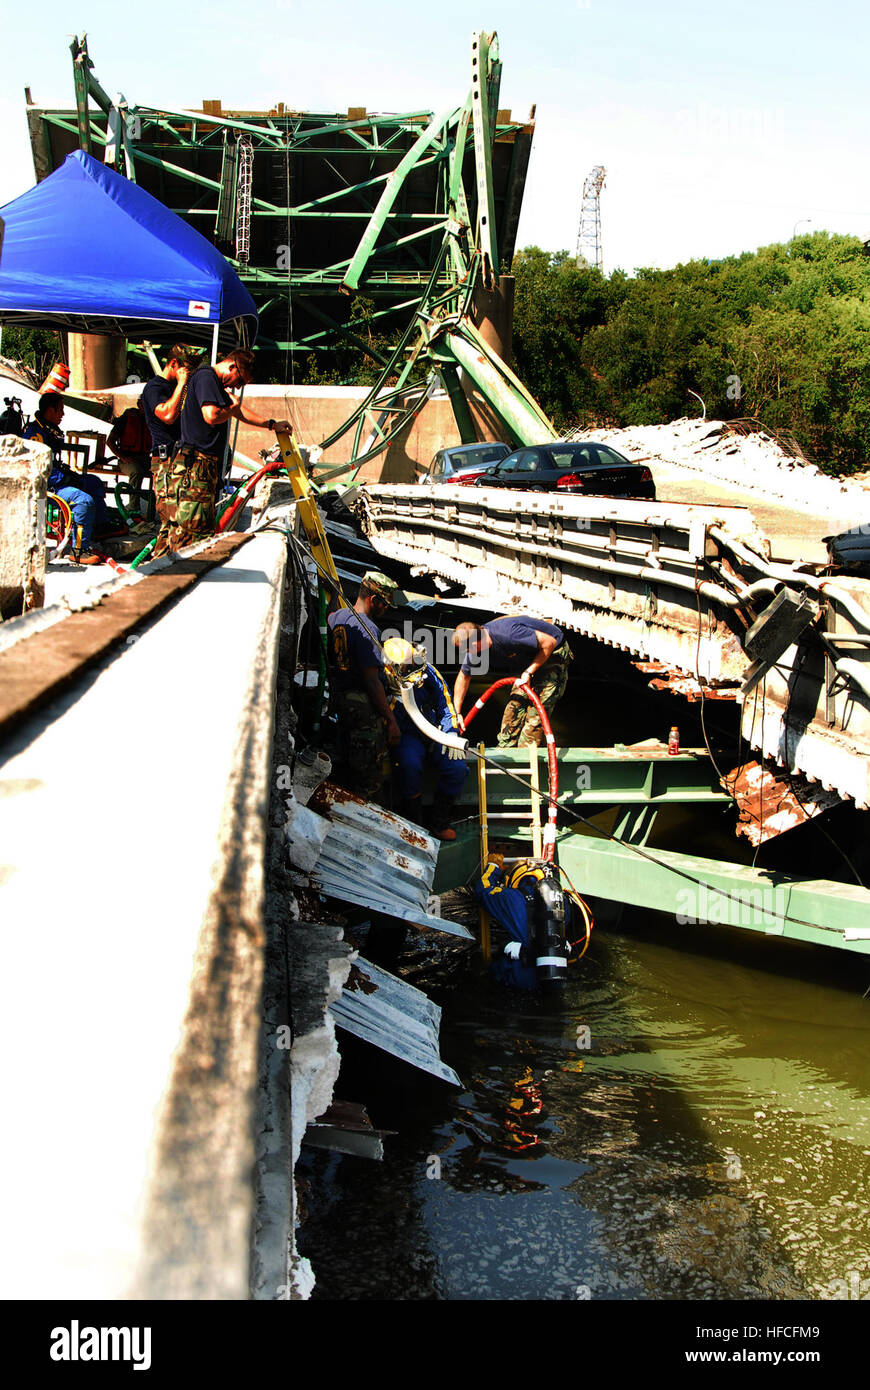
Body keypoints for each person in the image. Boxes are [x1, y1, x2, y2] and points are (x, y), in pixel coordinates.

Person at [152, 347, 292, 558]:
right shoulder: (207, 377)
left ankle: (159, 572)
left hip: (198, 465)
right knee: (192, 531)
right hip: (196, 466)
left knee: (181, 527)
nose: (238, 386)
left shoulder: (213, 383)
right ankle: (177, 575)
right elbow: (212, 415)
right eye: (240, 380)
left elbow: (238, 410)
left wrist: (271, 424)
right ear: (232, 366)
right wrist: (233, 409)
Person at [383, 637, 468, 840]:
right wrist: (394, 701)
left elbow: (445, 703)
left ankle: (439, 822)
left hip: (434, 729)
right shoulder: (382, 680)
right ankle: (416, 824)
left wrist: (451, 732)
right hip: (407, 734)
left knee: (456, 766)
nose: (412, 668)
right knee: (408, 765)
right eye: (407, 666)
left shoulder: (427, 671)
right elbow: (385, 721)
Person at [327, 571, 402, 800]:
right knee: (368, 776)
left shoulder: (337, 617)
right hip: (362, 713)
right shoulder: (368, 629)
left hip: (339, 703)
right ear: (374, 600)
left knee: (346, 766)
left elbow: (329, 616)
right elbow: (372, 681)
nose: (385, 609)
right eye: (385, 604)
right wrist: (391, 720)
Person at [23, 392, 116, 565]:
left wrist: (71, 477)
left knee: (94, 482)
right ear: (50, 410)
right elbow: (40, 470)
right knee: (84, 501)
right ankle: (79, 549)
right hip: (45, 488)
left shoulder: (48, 430)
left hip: (58, 479)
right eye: (61, 410)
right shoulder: (36, 434)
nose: (63, 414)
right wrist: (67, 480)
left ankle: (100, 526)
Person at [452, 615, 571, 747]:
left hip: (552, 654)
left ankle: (526, 755)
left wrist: (528, 672)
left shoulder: (508, 634)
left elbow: (549, 642)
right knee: (514, 708)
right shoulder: (476, 648)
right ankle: (505, 750)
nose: (466, 653)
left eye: (467, 649)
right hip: (525, 657)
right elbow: (463, 676)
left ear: (474, 643)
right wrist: (456, 713)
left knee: (536, 714)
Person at [139, 346, 197, 533]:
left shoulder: (176, 388)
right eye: (185, 370)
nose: (187, 375)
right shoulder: (155, 387)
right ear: (173, 364)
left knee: (182, 515)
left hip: (181, 456)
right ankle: (163, 557)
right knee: (169, 517)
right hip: (165, 458)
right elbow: (167, 415)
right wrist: (181, 384)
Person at [107, 399, 153, 524]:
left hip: (145, 458)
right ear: (139, 404)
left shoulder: (153, 419)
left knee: (161, 472)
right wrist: (122, 457)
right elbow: (110, 441)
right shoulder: (127, 418)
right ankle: (134, 508)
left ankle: (156, 509)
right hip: (127, 457)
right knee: (136, 472)